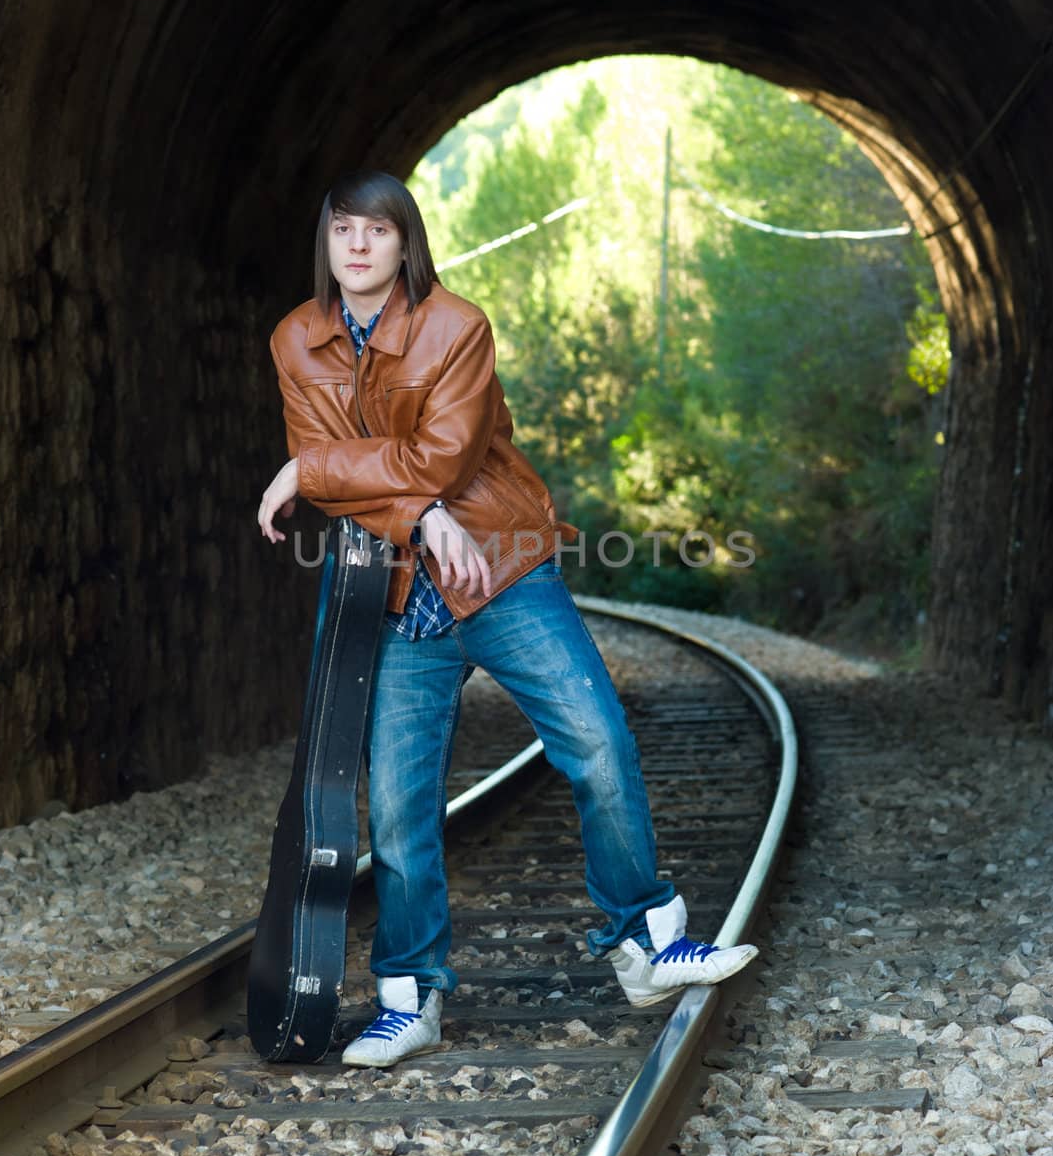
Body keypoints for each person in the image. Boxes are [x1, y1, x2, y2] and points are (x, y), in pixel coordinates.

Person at [257, 169, 757, 1068]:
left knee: (598, 741)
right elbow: (338, 463)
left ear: (406, 244)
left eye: (377, 231)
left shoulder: (457, 326)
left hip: (499, 565)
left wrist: (322, 473)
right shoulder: (297, 338)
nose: (359, 246)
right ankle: (410, 1000)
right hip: (401, 591)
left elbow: (438, 457)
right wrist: (397, 506)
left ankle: (646, 944)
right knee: (399, 806)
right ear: (327, 244)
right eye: (343, 231)